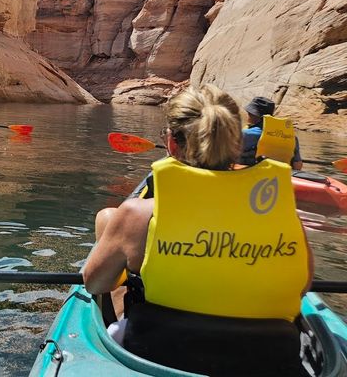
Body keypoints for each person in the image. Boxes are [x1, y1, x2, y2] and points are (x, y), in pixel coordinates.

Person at [84, 85, 312, 376]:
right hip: (270, 360)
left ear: (172, 144)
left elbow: (95, 285)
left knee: (112, 245)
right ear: (237, 144)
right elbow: (301, 287)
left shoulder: (137, 215)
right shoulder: (285, 217)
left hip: (157, 354)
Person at [239, 96, 303, 170]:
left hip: (253, 175)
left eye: (249, 112)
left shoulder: (245, 134)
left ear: (253, 114)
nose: (248, 113)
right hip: (281, 176)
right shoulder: (292, 138)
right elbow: (298, 165)